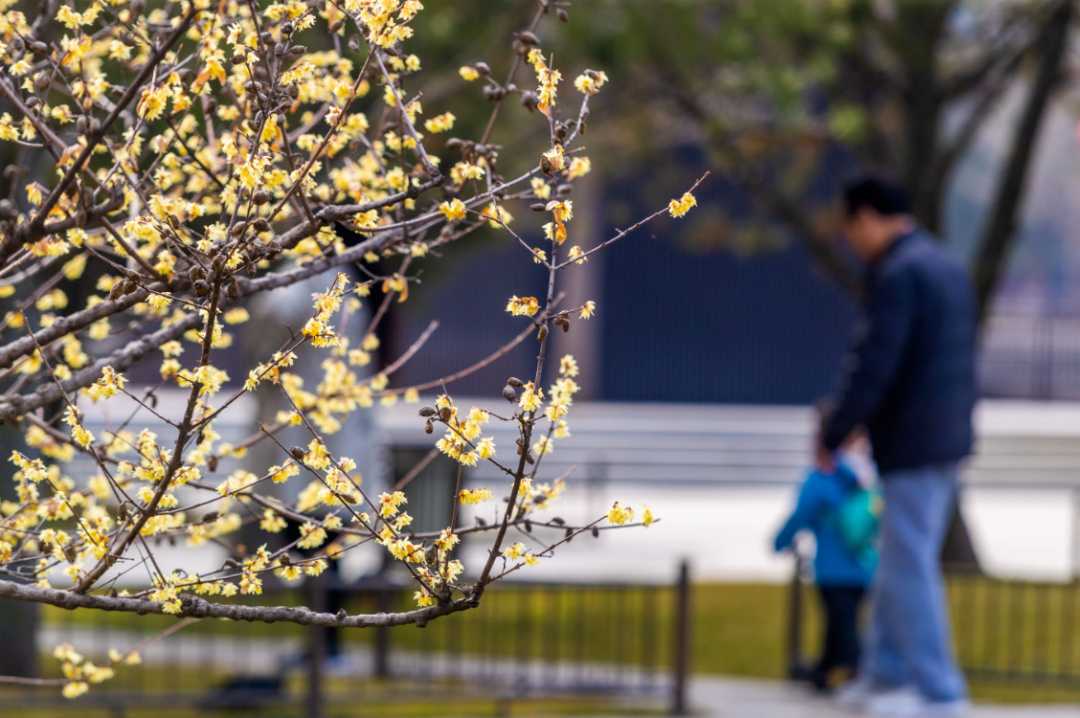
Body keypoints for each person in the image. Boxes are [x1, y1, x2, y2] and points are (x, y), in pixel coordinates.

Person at [818, 175, 976, 717]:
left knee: (909, 563)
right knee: (898, 559)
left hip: (913, 441)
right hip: (944, 437)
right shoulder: (943, 264)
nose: (851, 242)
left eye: (850, 229)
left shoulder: (899, 274)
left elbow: (875, 364)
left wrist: (834, 430)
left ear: (865, 216)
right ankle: (885, 675)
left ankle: (941, 692)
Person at [775, 430, 878, 692]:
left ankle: (860, 673)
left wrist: (779, 543)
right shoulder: (861, 479)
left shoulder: (819, 481)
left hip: (833, 569)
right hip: (863, 564)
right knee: (841, 623)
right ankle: (823, 671)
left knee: (842, 625)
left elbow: (800, 516)